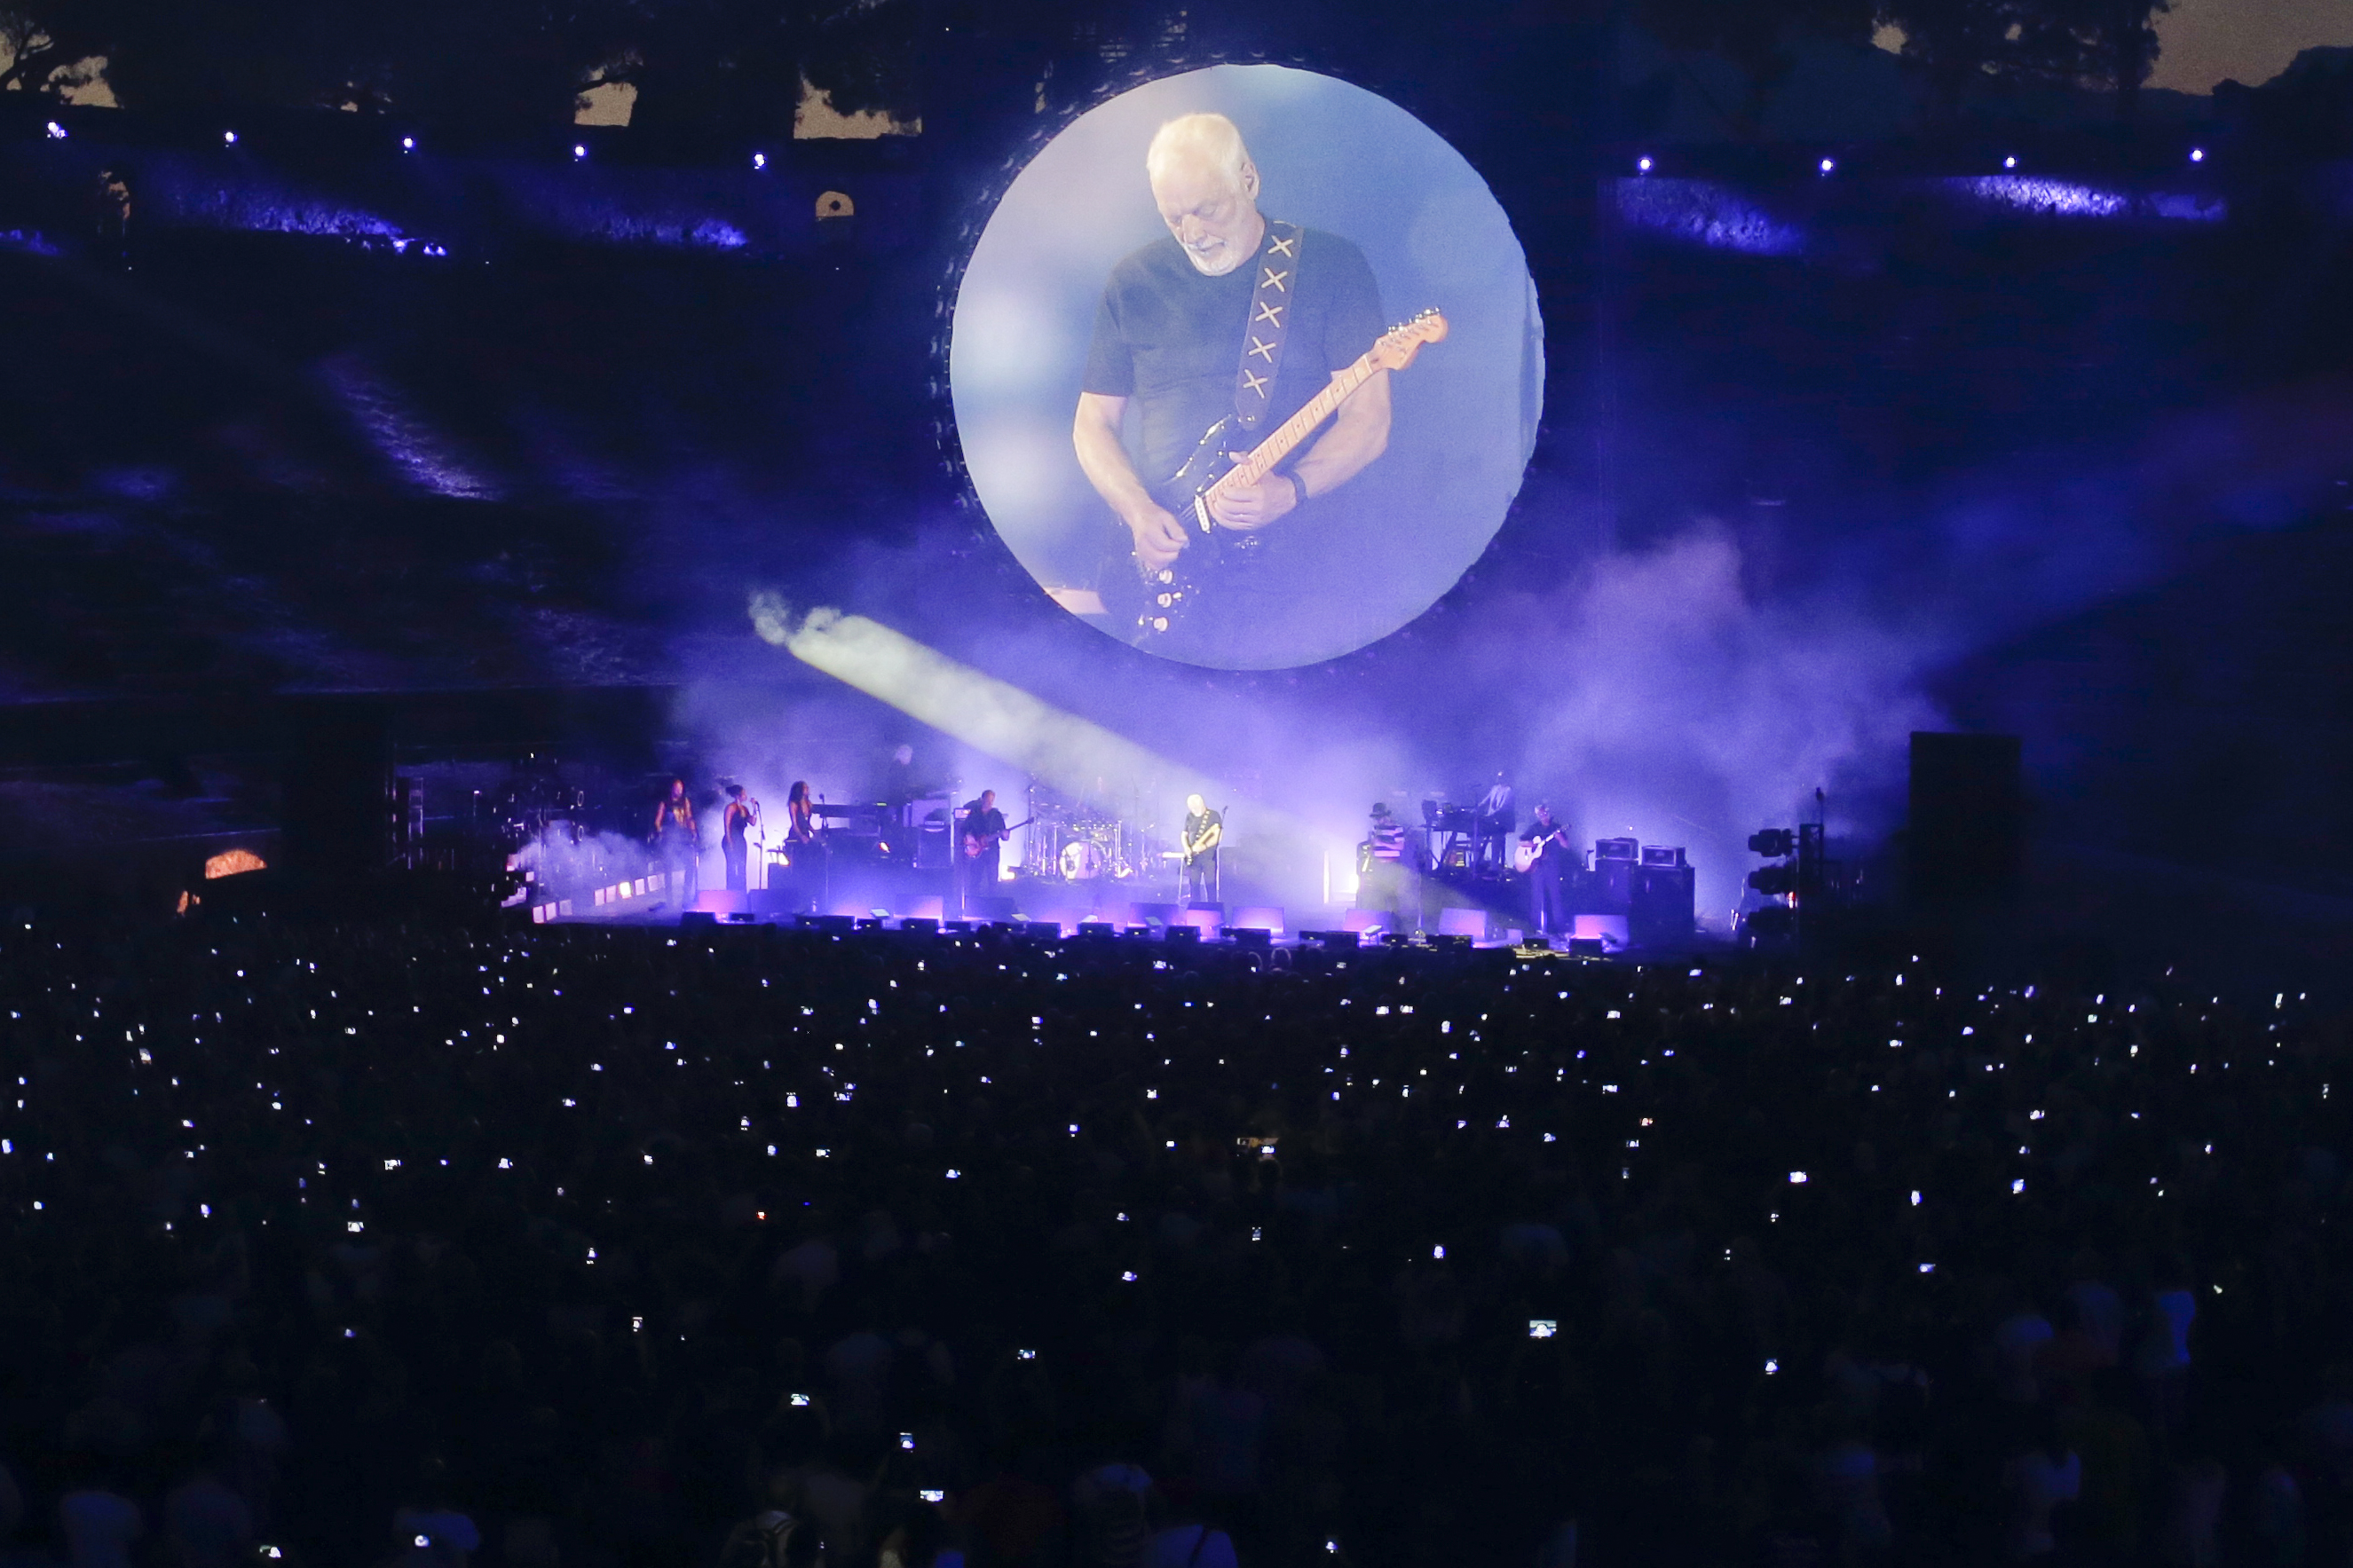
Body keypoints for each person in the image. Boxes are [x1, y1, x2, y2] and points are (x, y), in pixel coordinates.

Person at [1071, 112, 1389, 652]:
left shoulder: (1331, 265)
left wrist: (1291, 490)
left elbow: (1369, 419)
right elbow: (1092, 424)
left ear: (1248, 179)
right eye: (1174, 218)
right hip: (1165, 568)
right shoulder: (1133, 281)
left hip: (1295, 579)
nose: (1192, 233)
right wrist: (1137, 511)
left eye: (1207, 210)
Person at [1358, 802, 1413, 928]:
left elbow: (1400, 846)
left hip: (1392, 866)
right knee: (1378, 894)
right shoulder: (1376, 829)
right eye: (1376, 818)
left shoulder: (1396, 828)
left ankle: (1396, 925)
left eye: (1379, 818)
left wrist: (1381, 842)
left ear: (1385, 816)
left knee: (1392, 894)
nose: (1377, 821)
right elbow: (1375, 844)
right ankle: (1379, 923)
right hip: (1378, 866)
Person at [1520, 804, 1570, 939]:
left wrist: (1560, 838)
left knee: (1555, 898)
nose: (1543, 816)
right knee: (1537, 898)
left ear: (1549, 813)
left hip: (1553, 867)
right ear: (1537, 815)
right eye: (1540, 814)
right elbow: (1521, 842)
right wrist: (1533, 845)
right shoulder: (1534, 828)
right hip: (1537, 868)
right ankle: (1535, 929)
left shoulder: (1556, 828)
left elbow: (1566, 846)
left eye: (1545, 814)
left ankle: (1560, 930)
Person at [959, 790, 1010, 917]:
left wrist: (1005, 835)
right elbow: (964, 830)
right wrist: (971, 838)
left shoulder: (996, 815)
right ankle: (973, 908)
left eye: (991, 800)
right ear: (982, 799)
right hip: (977, 851)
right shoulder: (974, 814)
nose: (989, 803)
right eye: (987, 800)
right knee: (976, 878)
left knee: (993, 879)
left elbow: (1004, 835)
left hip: (992, 851)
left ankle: (992, 909)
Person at [651, 779, 699, 907]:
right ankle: (669, 899)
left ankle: (686, 897)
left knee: (690, 866)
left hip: (683, 838)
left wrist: (693, 831)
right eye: (677, 788)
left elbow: (689, 817)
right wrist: (661, 831)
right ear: (672, 789)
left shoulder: (685, 802)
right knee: (668, 869)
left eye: (681, 788)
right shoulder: (665, 803)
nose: (679, 790)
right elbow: (658, 821)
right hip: (670, 839)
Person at [1180, 794, 1223, 903]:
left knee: (1210, 886)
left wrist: (1204, 846)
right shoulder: (1189, 816)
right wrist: (1186, 847)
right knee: (1194, 887)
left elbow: (1218, 836)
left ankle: (1212, 911)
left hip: (1209, 858)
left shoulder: (1213, 815)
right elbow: (1184, 834)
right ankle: (1195, 911)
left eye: (1194, 807)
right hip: (1193, 858)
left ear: (1201, 804)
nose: (1192, 810)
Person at [722, 784, 761, 894]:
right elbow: (727, 825)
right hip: (731, 838)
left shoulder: (744, 809)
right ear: (738, 795)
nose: (746, 796)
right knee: (732, 866)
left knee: (742, 865)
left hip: (741, 839)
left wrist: (754, 808)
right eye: (744, 793)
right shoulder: (731, 807)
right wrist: (730, 842)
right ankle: (731, 892)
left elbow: (752, 822)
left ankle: (742, 891)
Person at [1476, 775, 1514, 874]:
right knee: (1478, 836)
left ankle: (1494, 868)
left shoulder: (1508, 790)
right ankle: (1479, 861)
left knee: (1496, 843)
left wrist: (1491, 815)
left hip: (1501, 822)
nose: (1499, 779)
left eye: (1501, 777)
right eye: (1498, 777)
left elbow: (1503, 807)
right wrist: (1476, 808)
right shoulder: (1495, 788)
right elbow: (1486, 800)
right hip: (1491, 819)